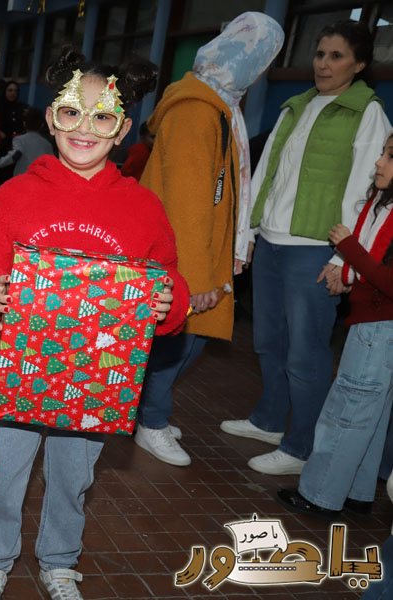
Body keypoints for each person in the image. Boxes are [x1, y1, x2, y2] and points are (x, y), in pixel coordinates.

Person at [0, 49, 189, 599]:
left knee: (73, 481)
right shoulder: (15, 193)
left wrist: (165, 302)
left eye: (102, 117)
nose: (85, 129)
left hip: (96, 384)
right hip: (14, 375)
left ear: (123, 127)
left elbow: (168, 277)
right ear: (50, 117)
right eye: (71, 114)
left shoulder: (144, 208)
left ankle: (59, 561)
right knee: (3, 479)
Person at [221, 20, 392, 476]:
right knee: (267, 342)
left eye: (337, 56)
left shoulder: (367, 112)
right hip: (273, 243)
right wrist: (249, 231)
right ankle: (270, 421)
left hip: (316, 248)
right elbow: (265, 172)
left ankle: (300, 448)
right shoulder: (296, 105)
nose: (324, 64)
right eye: (319, 54)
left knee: (306, 352)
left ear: (358, 64)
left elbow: (366, 189)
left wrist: (343, 255)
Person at [135, 12, 284, 468]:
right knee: (176, 340)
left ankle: (149, 413)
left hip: (203, 250)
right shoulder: (199, 110)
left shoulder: (218, 105)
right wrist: (195, 276)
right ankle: (150, 421)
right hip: (187, 254)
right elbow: (187, 201)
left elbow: (221, 190)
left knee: (187, 340)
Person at [276, 132, 393, 518]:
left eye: (389, 157)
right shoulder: (381, 204)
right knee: (370, 415)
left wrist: (348, 251)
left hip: (381, 325)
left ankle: (321, 494)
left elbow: (388, 281)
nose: (379, 163)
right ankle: (357, 492)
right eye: (382, 153)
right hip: (377, 323)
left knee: (348, 410)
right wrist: (345, 266)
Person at [0, 107, 54, 178]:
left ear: (24, 124)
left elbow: (15, 155)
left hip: (20, 180)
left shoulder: (20, 140)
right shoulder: (47, 144)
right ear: (41, 125)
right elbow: (52, 165)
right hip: (38, 181)